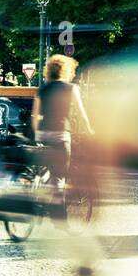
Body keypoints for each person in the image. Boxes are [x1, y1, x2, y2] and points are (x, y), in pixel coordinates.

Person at [32, 54, 93, 188]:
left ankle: (38, 185)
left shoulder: (42, 89)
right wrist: (89, 131)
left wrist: (36, 134)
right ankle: (57, 204)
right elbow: (81, 114)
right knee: (59, 174)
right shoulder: (71, 88)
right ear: (65, 70)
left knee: (44, 168)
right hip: (60, 135)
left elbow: (35, 115)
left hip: (42, 134)